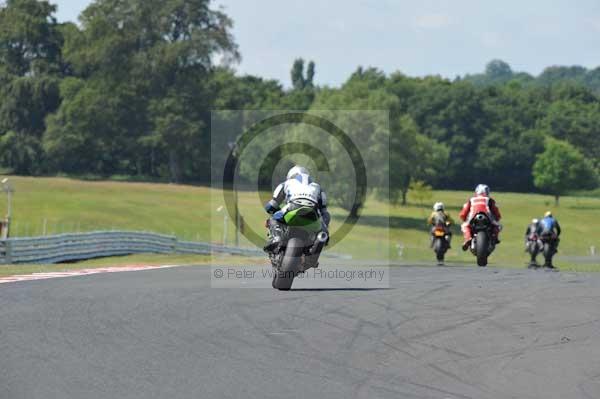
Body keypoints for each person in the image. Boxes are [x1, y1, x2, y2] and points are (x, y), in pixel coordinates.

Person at [263, 166, 330, 252]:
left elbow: (271, 206)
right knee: (322, 231)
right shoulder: (317, 187)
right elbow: (324, 211)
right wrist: (325, 228)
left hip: (292, 207)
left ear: (290, 176)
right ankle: (321, 239)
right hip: (312, 211)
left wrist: (277, 213)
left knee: (273, 219)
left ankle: (277, 238)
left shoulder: (286, 183)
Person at [459, 184, 502, 251]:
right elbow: (496, 212)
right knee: (498, 226)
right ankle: (494, 237)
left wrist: (464, 219)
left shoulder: (471, 200)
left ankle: (468, 238)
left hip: (473, 217)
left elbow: (463, 213)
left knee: (465, 226)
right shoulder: (489, 200)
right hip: (488, 217)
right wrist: (497, 218)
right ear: (487, 192)